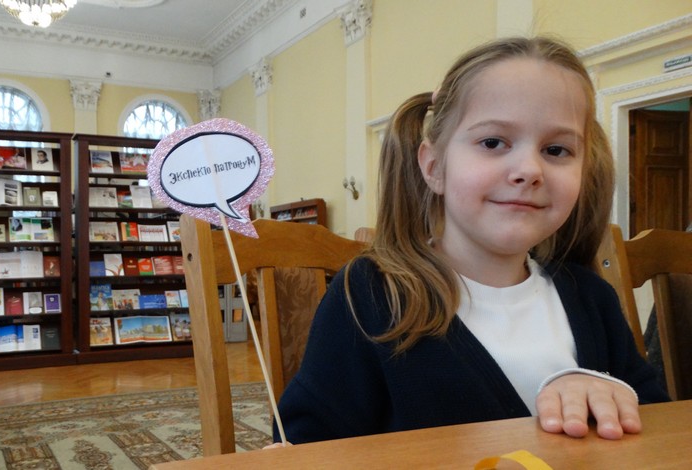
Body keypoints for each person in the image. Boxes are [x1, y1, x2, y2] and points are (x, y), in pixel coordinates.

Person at [271, 36, 668, 447]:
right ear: (434, 167)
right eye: (493, 142)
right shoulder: (371, 294)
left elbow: (660, 425)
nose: (529, 170)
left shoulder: (591, 298)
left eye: (556, 149)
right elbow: (309, 439)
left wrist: (610, 393)